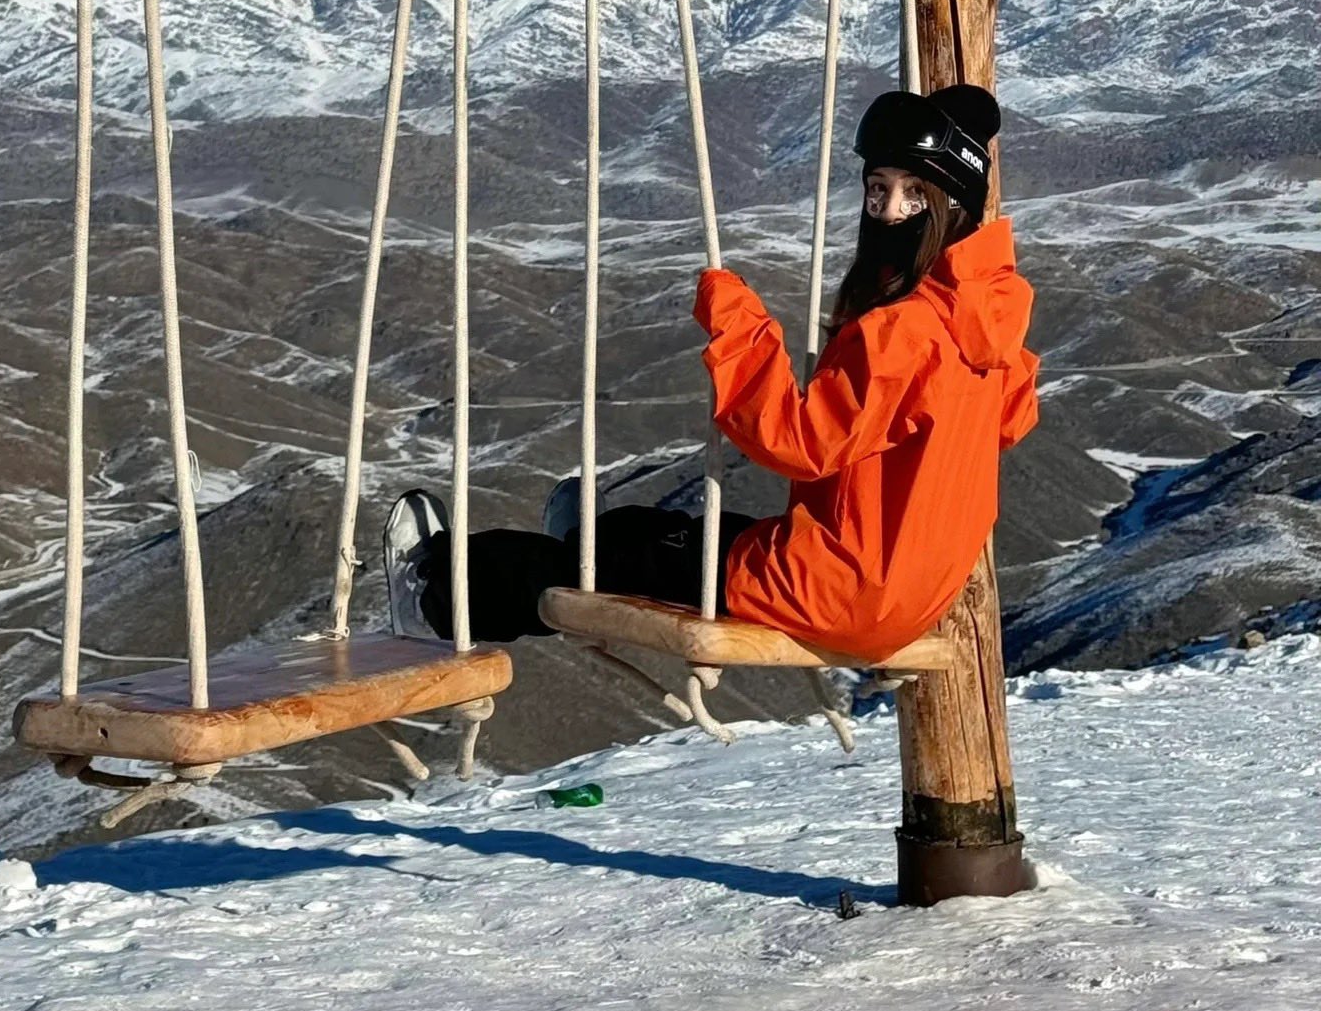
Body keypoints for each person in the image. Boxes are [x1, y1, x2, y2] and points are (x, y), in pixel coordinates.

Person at [385, 81, 1040, 665]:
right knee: (662, 537)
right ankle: (600, 540)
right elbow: (1011, 422)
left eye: (915, 194)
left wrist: (740, 326)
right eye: (879, 189)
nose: (891, 211)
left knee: (571, 571)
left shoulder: (908, 329)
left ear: (952, 206)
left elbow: (797, 441)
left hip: (833, 591)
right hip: (907, 597)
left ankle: (432, 592)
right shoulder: (991, 318)